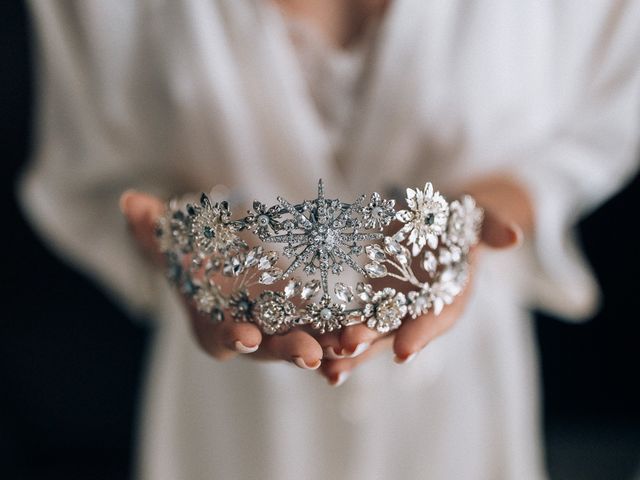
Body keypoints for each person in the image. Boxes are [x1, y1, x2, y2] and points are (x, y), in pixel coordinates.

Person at [19, 1, 640, 479]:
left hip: (462, 401)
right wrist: (176, 237)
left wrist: (487, 214)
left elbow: (605, 119)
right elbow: (91, 166)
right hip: (231, 417)